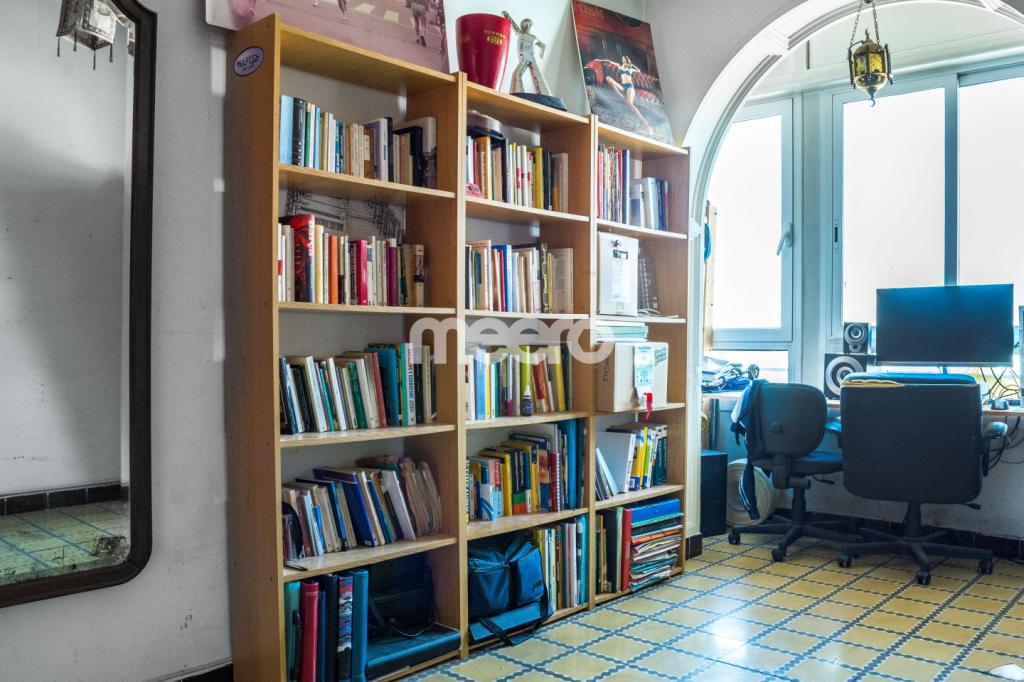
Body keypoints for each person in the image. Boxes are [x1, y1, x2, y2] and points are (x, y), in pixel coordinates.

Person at [604, 55, 652, 134]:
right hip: (623, 87)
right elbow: (609, 61)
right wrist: (599, 60)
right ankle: (621, 96)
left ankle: (646, 124)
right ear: (623, 62)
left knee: (630, 103)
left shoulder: (630, 69)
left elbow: (638, 70)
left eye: (627, 62)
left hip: (630, 87)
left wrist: (632, 65)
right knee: (608, 78)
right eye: (625, 62)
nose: (626, 64)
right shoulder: (620, 66)